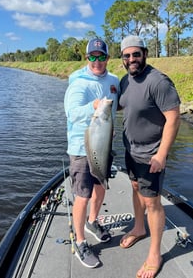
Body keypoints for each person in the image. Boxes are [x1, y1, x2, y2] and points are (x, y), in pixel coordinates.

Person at [118, 35, 181, 278]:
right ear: (122, 58)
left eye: (136, 54)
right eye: (127, 55)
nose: (132, 59)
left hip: (151, 154)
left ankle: (155, 253)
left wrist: (162, 154)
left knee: (153, 202)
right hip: (131, 151)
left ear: (145, 53)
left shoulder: (158, 81)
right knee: (135, 188)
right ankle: (138, 227)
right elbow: (126, 104)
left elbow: (174, 118)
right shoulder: (125, 81)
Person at [64, 38, 119, 268]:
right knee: (83, 195)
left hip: (104, 144)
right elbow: (72, 113)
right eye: (93, 57)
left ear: (107, 57)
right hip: (81, 148)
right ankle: (80, 241)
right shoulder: (78, 82)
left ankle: (93, 221)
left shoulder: (114, 80)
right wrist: (92, 107)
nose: (97, 61)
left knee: (101, 185)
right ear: (87, 58)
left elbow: (120, 104)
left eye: (101, 56)